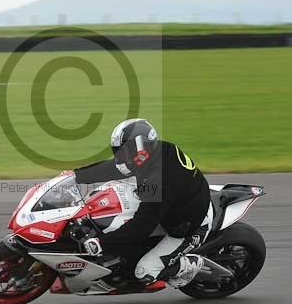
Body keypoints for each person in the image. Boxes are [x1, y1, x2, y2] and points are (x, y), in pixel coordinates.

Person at [74, 118, 215, 288]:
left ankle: (188, 265)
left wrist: (102, 243)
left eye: (125, 152)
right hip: (175, 205)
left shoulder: (159, 179)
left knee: (144, 271)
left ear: (142, 148)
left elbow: (143, 226)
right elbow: (114, 168)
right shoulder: (157, 151)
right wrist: (76, 176)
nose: (121, 156)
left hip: (189, 225)